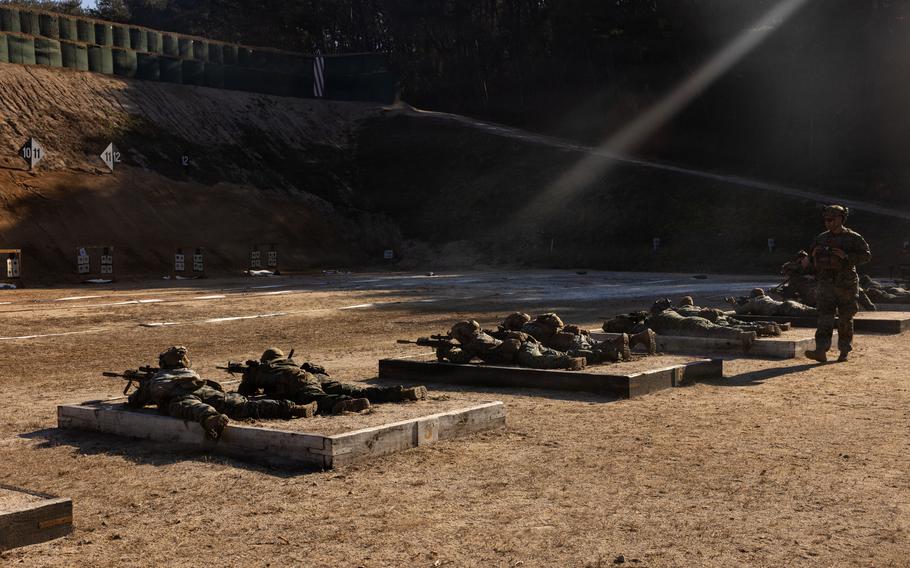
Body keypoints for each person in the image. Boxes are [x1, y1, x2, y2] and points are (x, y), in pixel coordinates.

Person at [127, 346, 317, 440]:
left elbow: (137, 400)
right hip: (204, 389)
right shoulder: (187, 373)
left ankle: (212, 419)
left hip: (180, 397)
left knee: (190, 407)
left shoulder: (159, 378)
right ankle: (292, 409)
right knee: (241, 405)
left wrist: (140, 390)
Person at [237, 348, 428, 414]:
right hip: (313, 377)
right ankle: (400, 393)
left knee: (318, 400)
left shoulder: (263, 369)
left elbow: (245, 392)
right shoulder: (291, 364)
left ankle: (344, 403)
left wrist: (249, 375)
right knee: (358, 390)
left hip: (298, 382)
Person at [804, 205, 871, 363]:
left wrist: (846, 256)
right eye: (826, 220)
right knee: (824, 317)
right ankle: (821, 350)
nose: (828, 223)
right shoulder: (821, 238)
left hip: (846, 284)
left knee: (845, 318)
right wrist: (813, 256)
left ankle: (844, 351)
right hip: (826, 284)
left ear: (841, 219)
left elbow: (866, 256)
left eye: (831, 219)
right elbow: (812, 262)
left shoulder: (853, 237)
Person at [604, 299, 757, 350]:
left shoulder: (654, 320)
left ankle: (743, 335)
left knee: (716, 331)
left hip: (688, 326)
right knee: (718, 329)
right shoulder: (670, 312)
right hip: (692, 322)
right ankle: (744, 333)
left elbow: (640, 330)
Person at [438, 320, 587, 369]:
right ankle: (588, 356)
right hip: (526, 345)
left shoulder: (475, 342)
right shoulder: (481, 336)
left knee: (539, 361)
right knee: (557, 354)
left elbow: (461, 358)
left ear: (463, 334)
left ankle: (570, 361)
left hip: (521, 352)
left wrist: (446, 351)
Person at [725, 288, 817, 318]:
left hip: (785, 309)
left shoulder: (754, 302)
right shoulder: (767, 298)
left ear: (753, 296)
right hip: (788, 304)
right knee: (814, 311)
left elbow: (740, 311)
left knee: (812, 314)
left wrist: (733, 302)